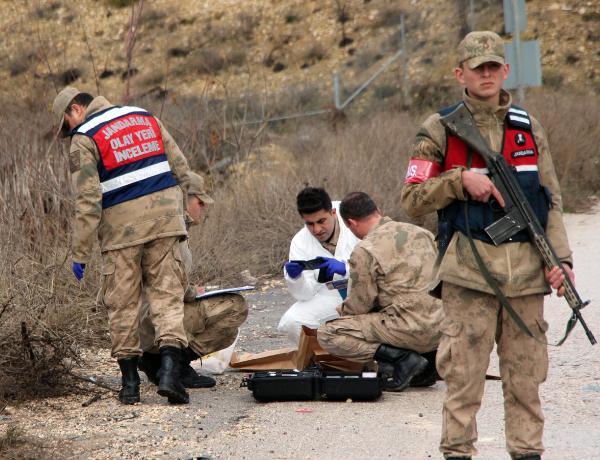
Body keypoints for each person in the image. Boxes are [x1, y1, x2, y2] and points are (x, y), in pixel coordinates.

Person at [400, 31, 574, 460]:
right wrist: (459, 181)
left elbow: (550, 200)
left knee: (526, 382)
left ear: (505, 70)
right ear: (461, 73)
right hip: (469, 278)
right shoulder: (440, 128)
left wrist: (562, 260)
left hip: (527, 277)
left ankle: (527, 452)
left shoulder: (528, 127)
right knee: (463, 382)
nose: (487, 74)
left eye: (494, 66)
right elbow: (411, 198)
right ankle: (458, 453)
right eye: (478, 67)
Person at [52, 86, 194, 405]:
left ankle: (130, 384)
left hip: (121, 231)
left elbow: (88, 200)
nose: (69, 130)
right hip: (166, 220)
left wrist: (80, 253)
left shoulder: (84, 137)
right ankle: (171, 372)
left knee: (122, 302)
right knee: (167, 295)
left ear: (76, 109)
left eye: (66, 123)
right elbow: (181, 164)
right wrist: (195, 194)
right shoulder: (144, 116)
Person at [317, 192, 443, 391]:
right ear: (378, 211)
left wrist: (342, 311)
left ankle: (405, 360)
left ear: (351, 223)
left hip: (410, 327)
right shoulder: (422, 233)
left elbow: (359, 305)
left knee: (329, 333)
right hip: (440, 326)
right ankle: (428, 361)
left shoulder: (365, 250)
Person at [137, 171, 249, 388]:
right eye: (200, 202)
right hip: (153, 319)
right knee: (236, 306)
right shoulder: (170, 233)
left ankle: (158, 361)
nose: (203, 209)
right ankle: (173, 365)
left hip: (143, 317)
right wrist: (189, 293)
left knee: (229, 332)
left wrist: (190, 291)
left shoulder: (157, 224)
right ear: (183, 200)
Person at [278, 187, 360, 344]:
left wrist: (346, 269)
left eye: (321, 221)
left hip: (366, 290)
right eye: (310, 224)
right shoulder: (300, 242)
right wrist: (295, 278)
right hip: (332, 295)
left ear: (333, 212)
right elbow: (305, 295)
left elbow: (380, 262)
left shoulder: (353, 217)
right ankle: (324, 360)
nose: (317, 229)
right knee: (292, 322)